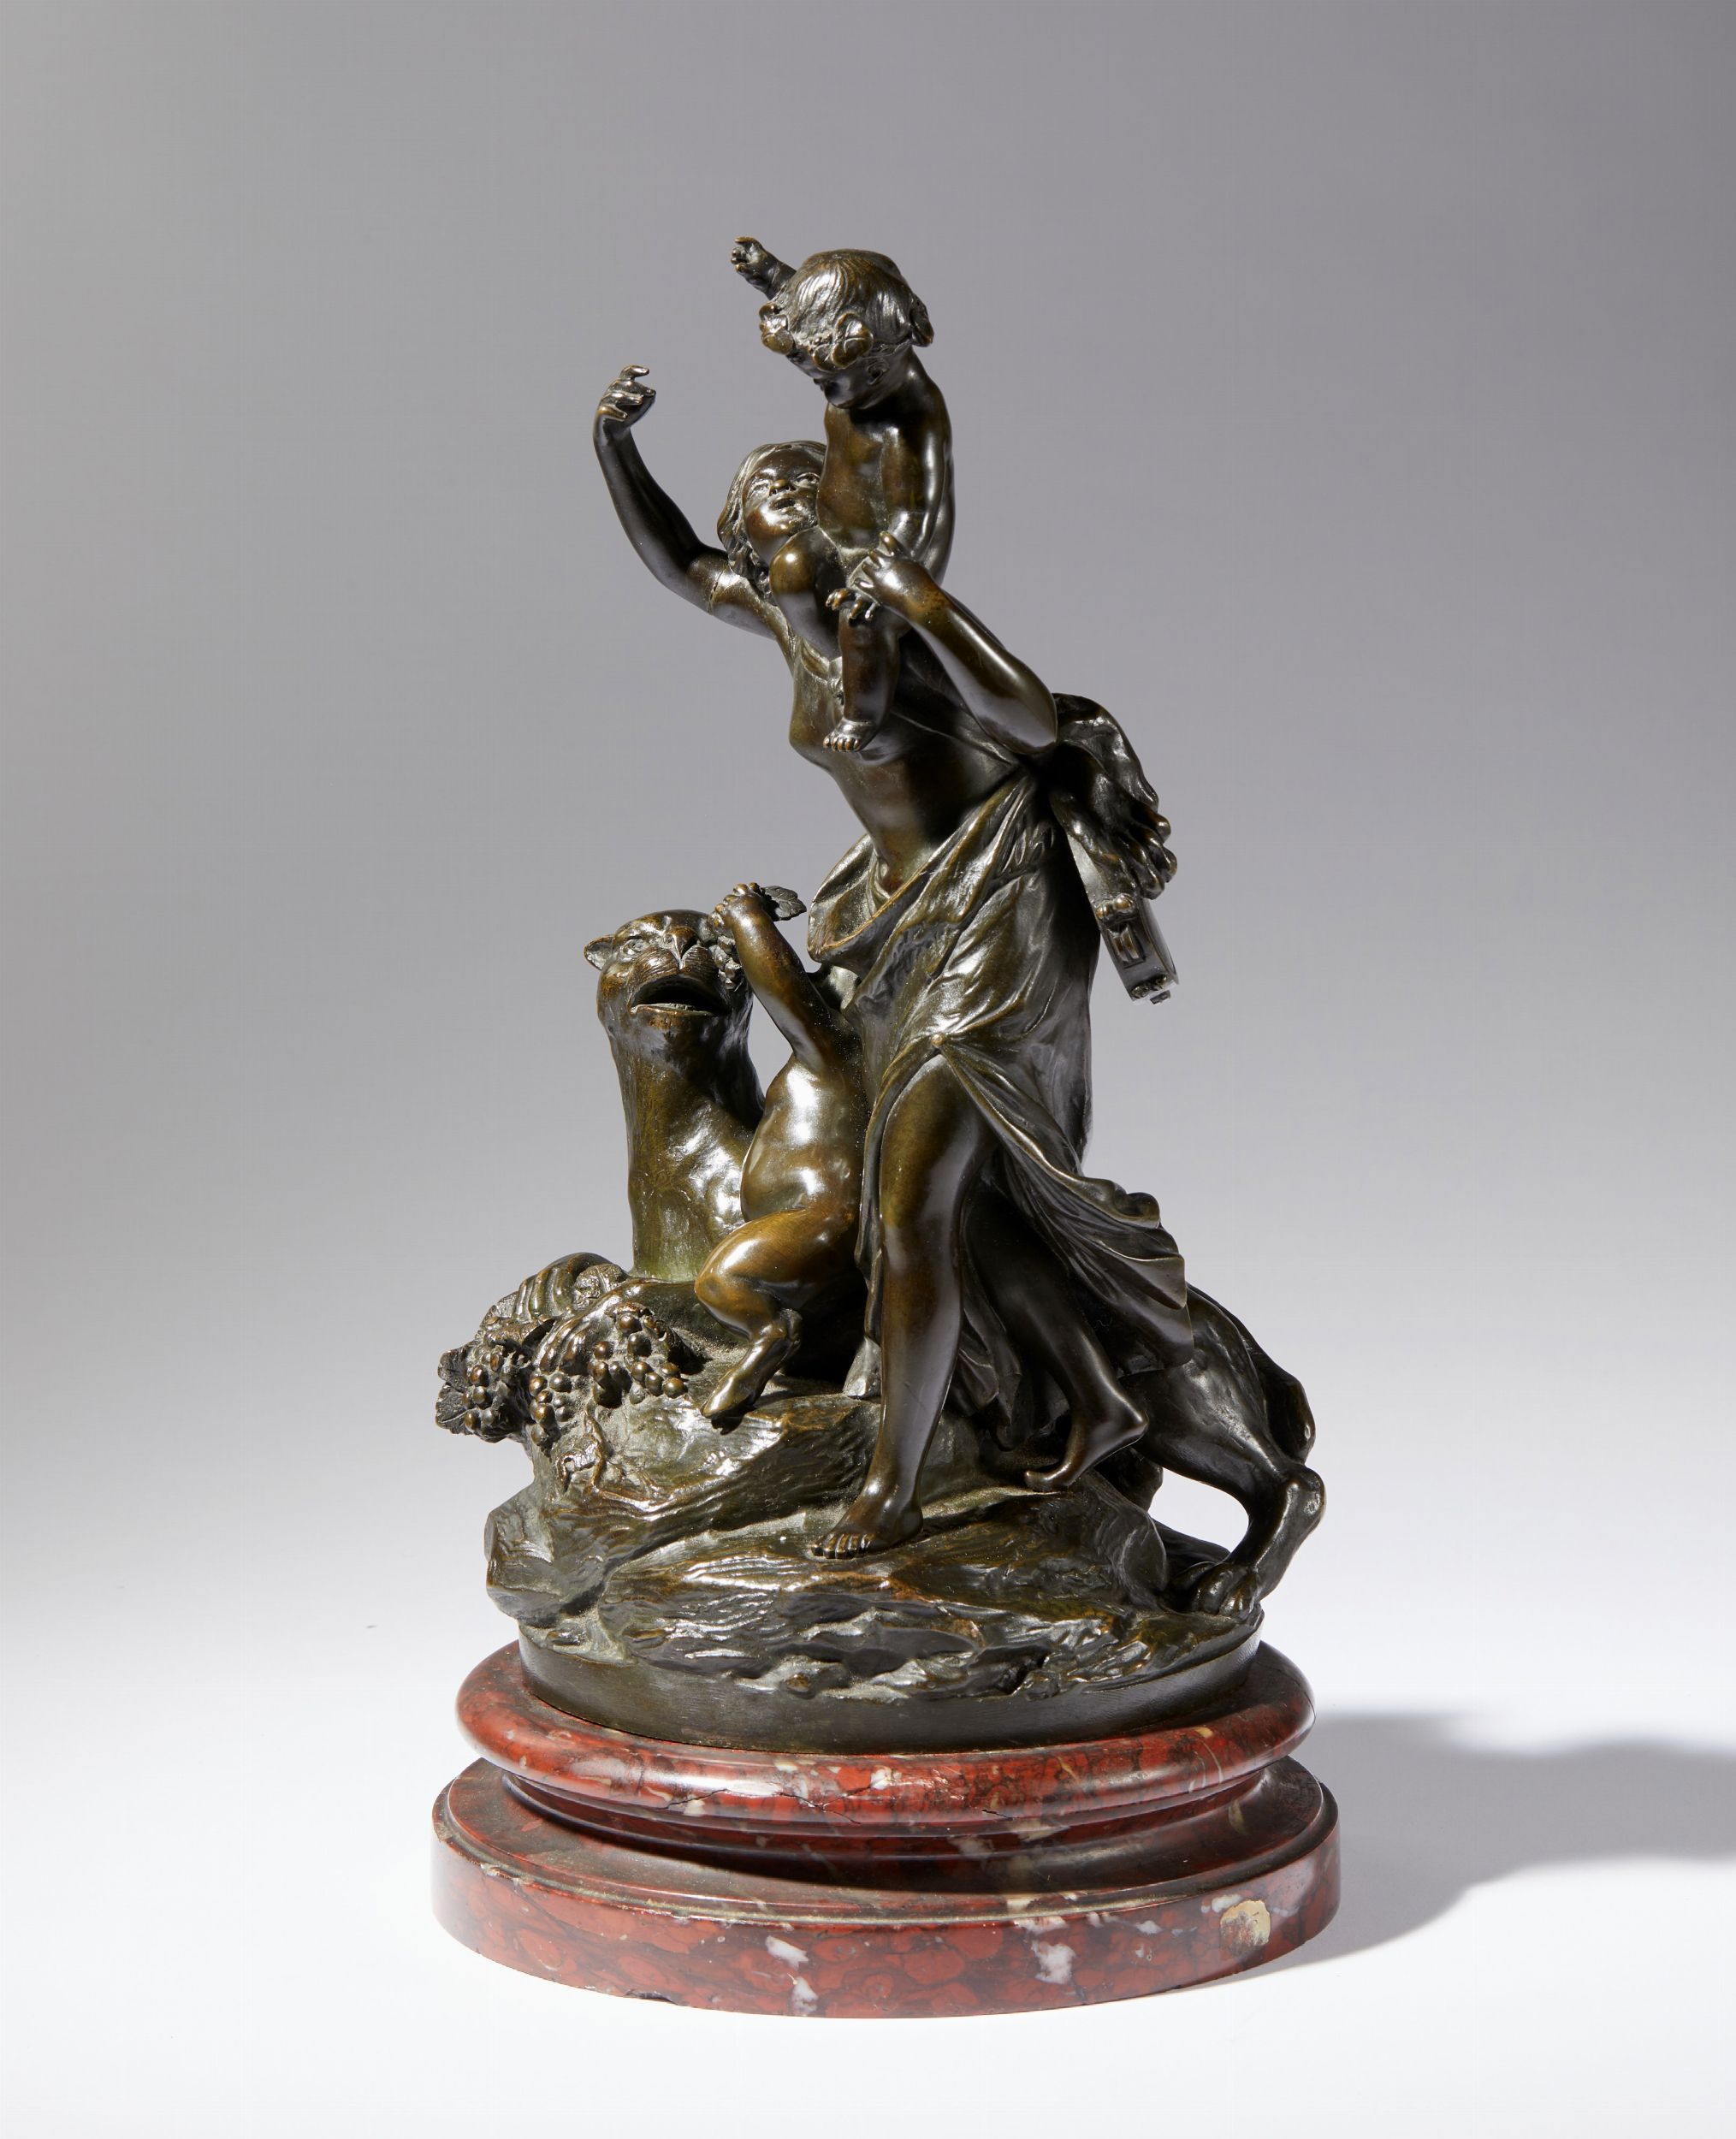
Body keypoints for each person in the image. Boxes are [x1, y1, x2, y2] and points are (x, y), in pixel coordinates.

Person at [593, 367, 1191, 1556]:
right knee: (944, 1186)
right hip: (897, 913)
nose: (779, 533)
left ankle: (891, 1486)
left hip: (998, 902)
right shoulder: (784, 619)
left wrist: (917, 596)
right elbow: (673, 563)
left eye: (793, 514)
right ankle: (1098, 1398)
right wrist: (614, 446)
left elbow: (1029, 722)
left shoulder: (887, 618)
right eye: (758, 527)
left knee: (910, 1202)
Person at [730, 240, 952, 755]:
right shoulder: (859, 382)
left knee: (862, 622)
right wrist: (770, 276)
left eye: (828, 383)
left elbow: (917, 513)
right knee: (789, 572)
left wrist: (883, 570)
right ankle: (828, 657)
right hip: (839, 533)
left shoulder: (911, 423)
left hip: (900, 550)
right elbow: (819, 299)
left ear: (874, 366)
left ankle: (864, 711)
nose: (824, 393)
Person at [693, 882, 867, 1424]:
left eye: (834, 971)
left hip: (820, 1219)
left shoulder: (840, 1046)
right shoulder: (836, 1051)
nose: (816, 975)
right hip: (807, 1218)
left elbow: (785, 992)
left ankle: (769, 1337)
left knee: (722, 1282)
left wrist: (749, 917)